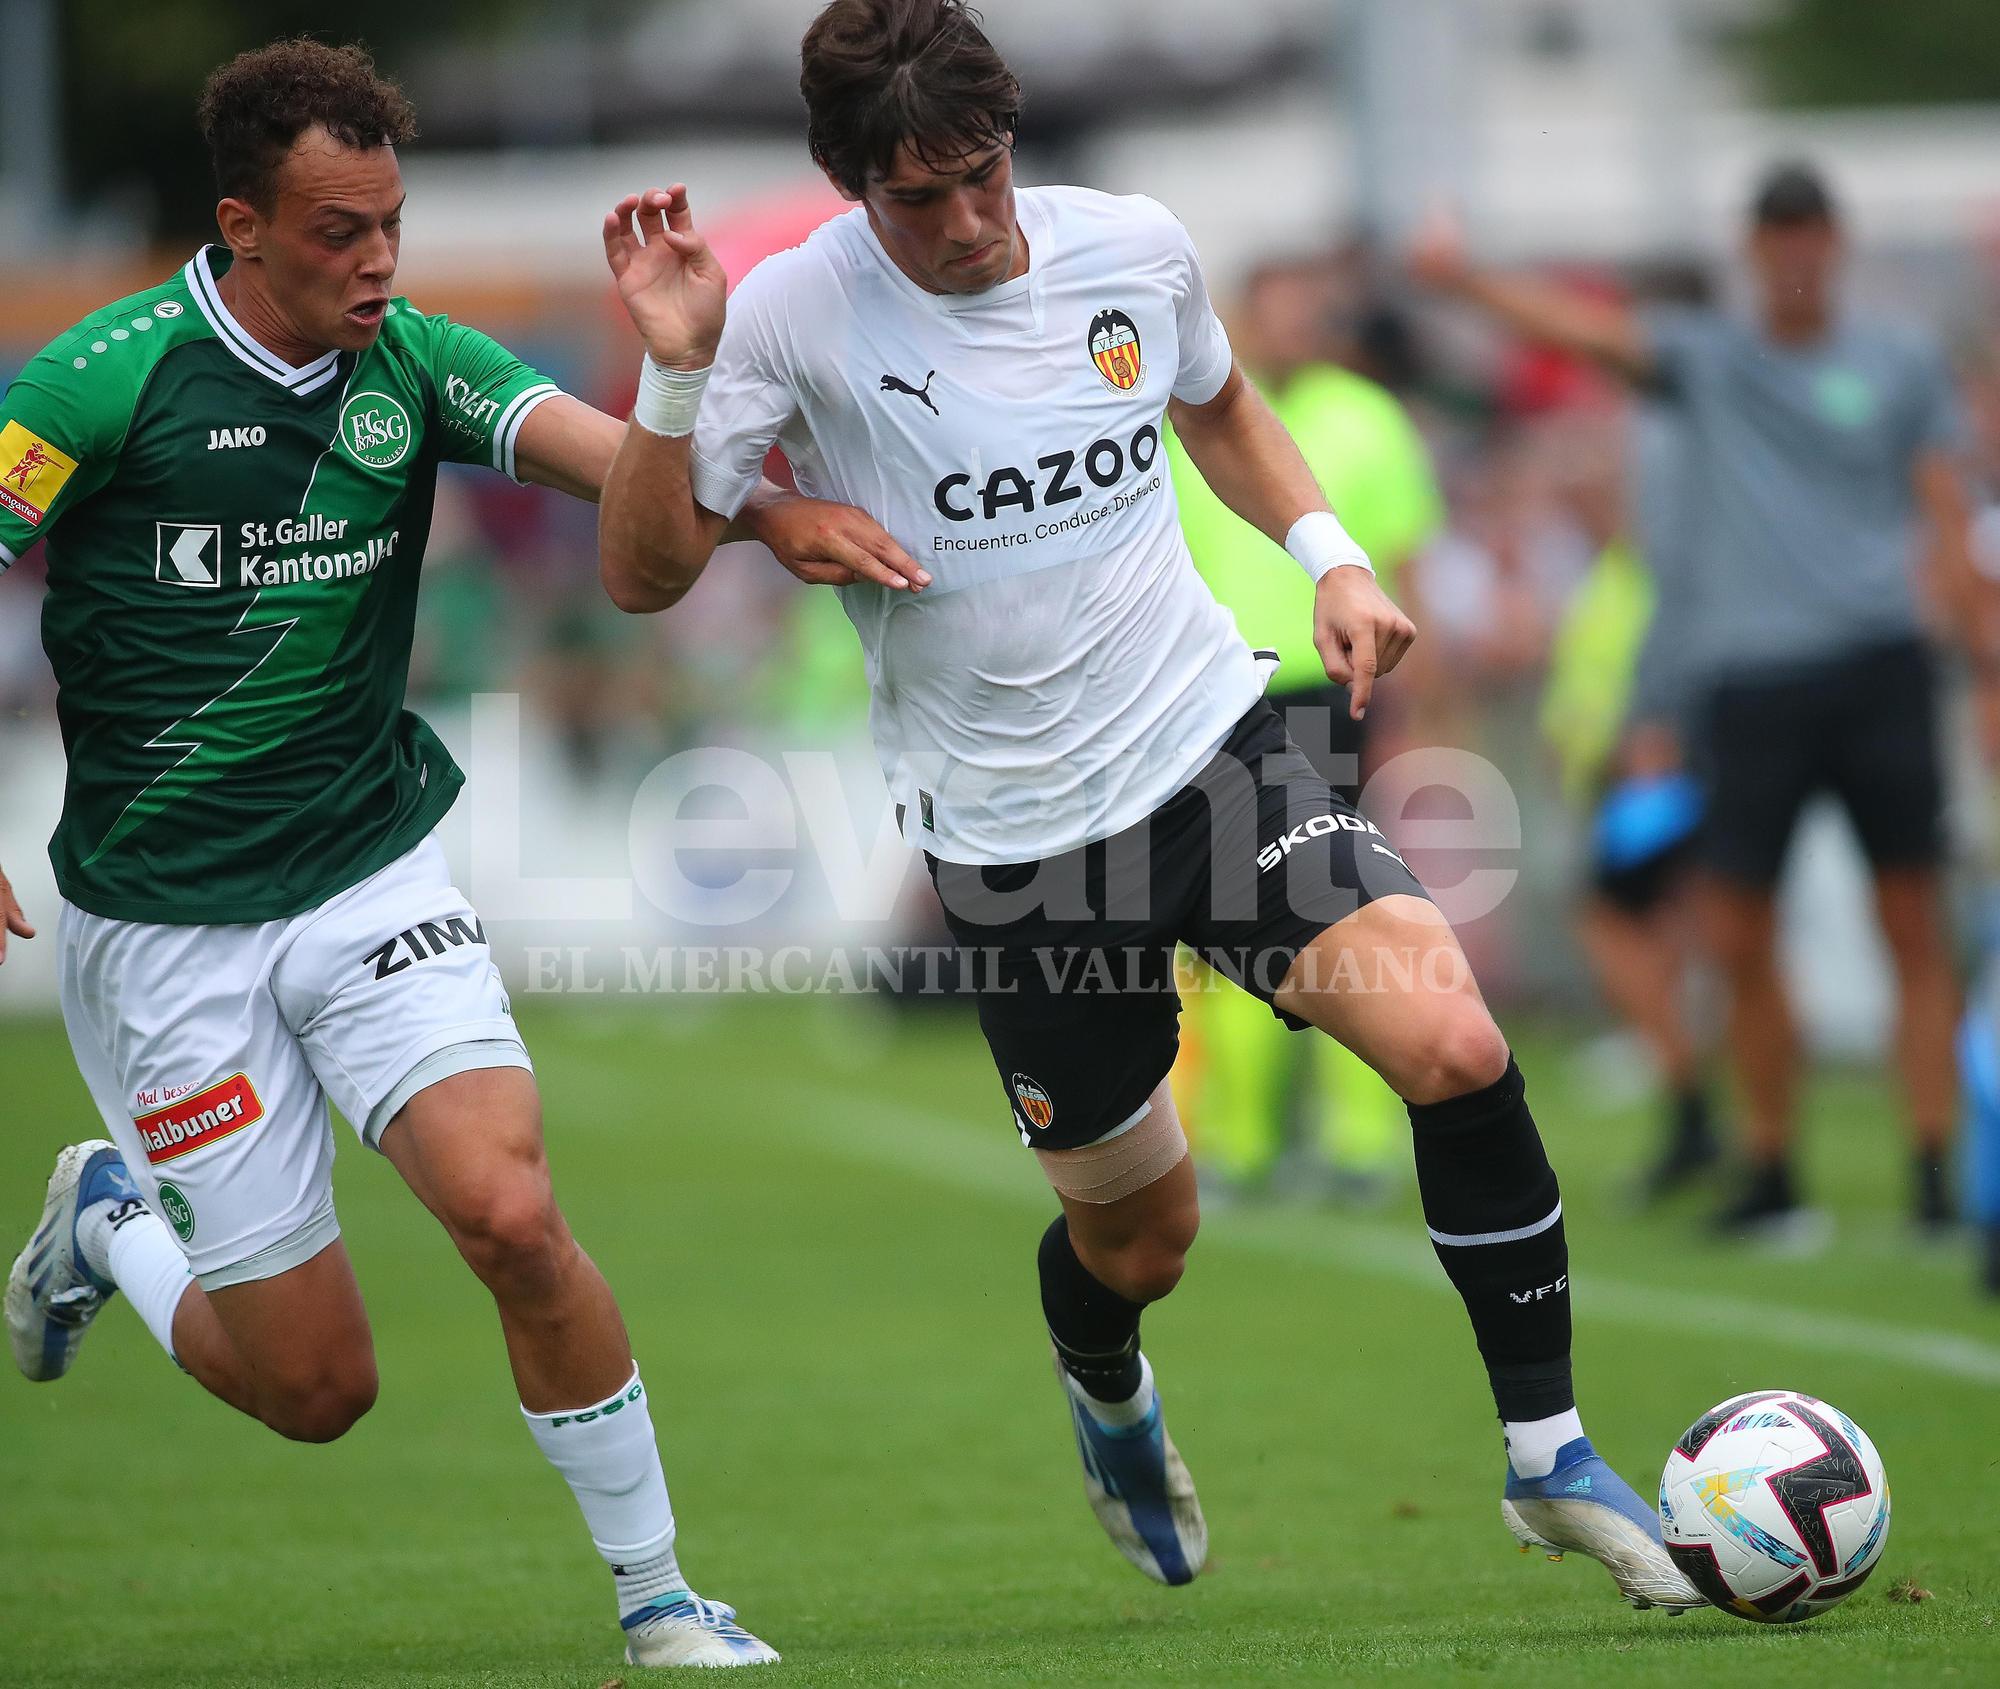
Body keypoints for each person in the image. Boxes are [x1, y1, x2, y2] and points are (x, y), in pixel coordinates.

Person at [593, 0, 1698, 1613]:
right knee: (1144, 1237)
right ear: (847, 183)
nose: (968, 220)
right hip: (1020, 849)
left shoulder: (1132, 250)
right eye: (919, 197)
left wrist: (1334, 558)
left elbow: (1222, 406)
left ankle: (1547, 1449)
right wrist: (684, 382)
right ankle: (1104, 1370)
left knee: (1453, 1038)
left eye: (984, 174)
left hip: (1214, 745)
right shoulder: (778, 320)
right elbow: (640, 567)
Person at [0, 39, 915, 1673]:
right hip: (163, 930)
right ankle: (114, 1218)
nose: (376, 260)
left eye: (391, 222)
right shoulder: (97, 381)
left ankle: (658, 1594)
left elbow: (627, 491)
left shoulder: (415, 363)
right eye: (337, 229)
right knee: (316, 1389)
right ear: (241, 224)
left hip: (368, 868)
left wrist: (697, 401)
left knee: (507, 1207)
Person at [1414, 165, 1989, 1241]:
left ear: (1835, 243)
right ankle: (1768, 1165)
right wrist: (1464, 281)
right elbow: (1589, 335)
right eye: (1775, 243)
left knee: (1909, 923)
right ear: (1751, 251)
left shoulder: (1895, 359)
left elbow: (1942, 502)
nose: (1794, 261)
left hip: (1878, 667)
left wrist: (1974, 650)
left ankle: (1929, 1169)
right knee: (1735, 931)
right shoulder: (1711, 358)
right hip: (1750, 682)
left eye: (1808, 240)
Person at [1167, 252, 1446, 1200]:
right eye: (1274, 308)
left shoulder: (1367, 421)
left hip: (1337, 693)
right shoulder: (1185, 427)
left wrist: (1417, 711)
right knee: (1223, 926)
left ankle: (1356, 1141)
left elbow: (1407, 566)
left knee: (1352, 912)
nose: (1291, 326)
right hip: (1213, 696)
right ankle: (1239, 1142)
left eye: (1306, 310)